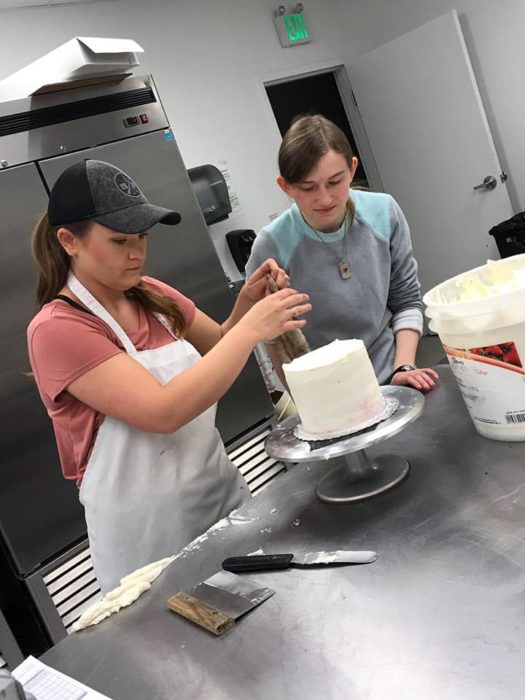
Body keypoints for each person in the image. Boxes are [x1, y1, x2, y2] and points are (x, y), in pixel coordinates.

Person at [27, 159, 311, 593]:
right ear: (69, 241)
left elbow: (217, 344)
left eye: (142, 236)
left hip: (219, 498)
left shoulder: (151, 293)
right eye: (119, 240)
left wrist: (247, 305)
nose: (137, 252)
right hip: (149, 541)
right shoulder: (58, 330)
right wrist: (255, 327)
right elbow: (163, 412)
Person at [245, 115, 438, 392]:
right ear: (285, 186)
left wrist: (404, 367)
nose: (324, 199)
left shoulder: (383, 213)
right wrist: (309, 403)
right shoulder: (272, 245)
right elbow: (273, 338)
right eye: (308, 188)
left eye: (335, 181)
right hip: (326, 389)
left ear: (352, 169)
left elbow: (407, 300)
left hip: (393, 372)